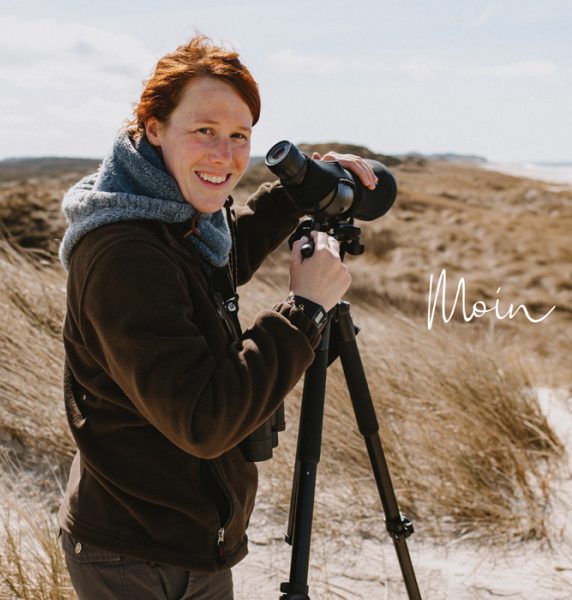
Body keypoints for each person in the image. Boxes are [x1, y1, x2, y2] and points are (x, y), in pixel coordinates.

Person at [57, 34, 378, 600]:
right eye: (204, 130)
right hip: (137, 553)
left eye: (239, 137)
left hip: (182, 535)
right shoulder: (124, 253)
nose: (225, 155)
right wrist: (302, 312)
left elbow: (217, 262)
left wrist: (298, 193)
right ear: (153, 127)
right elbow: (204, 421)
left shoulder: (169, 214)